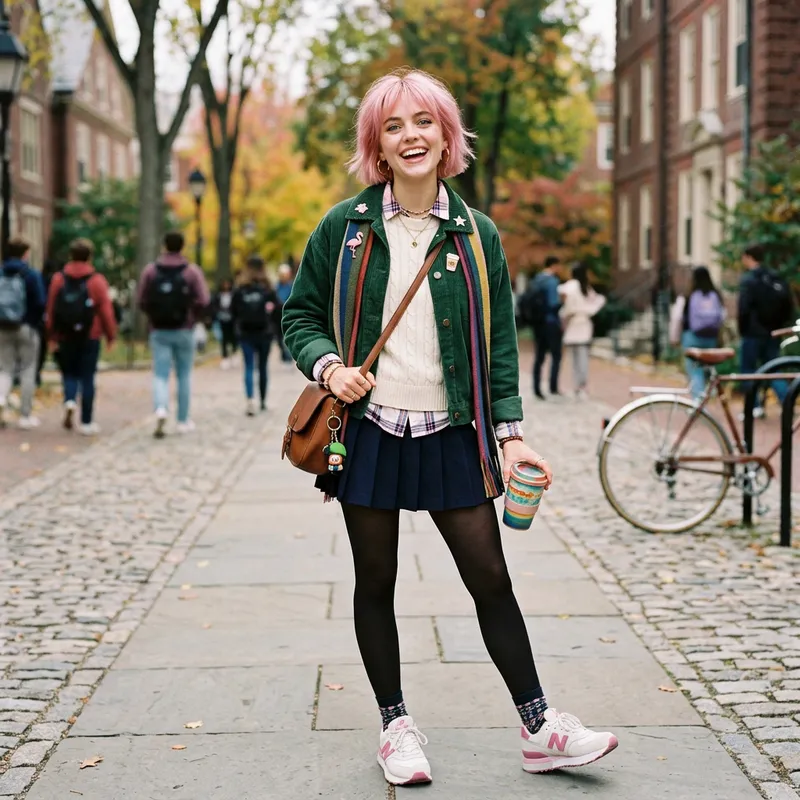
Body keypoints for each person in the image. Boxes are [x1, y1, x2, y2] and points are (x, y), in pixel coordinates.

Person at [282, 68, 617, 787]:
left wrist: (512, 432)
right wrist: (330, 367)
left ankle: (541, 726)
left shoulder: (476, 234)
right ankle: (395, 725)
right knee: (376, 579)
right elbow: (298, 316)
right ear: (377, 142)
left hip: (451, 432)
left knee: (490, 577)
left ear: (445, 134)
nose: (411, 136)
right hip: (367, 434)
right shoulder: (344, 229)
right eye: (394, 126)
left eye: (423, 122)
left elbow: (498, 343)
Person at [137, 230, 210, 438]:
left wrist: (153, 316)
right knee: (184, 374)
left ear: (164, 246)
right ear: (182, 246)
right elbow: (203, 300)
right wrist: (192, 316)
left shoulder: (151, 271)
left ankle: (161, 408)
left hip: (159, 330)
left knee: (160, 373)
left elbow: (141, 299)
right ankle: (183, 420)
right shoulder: (191, 272)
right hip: (184, 329)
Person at [46, 238, 117, 435]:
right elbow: (106, 311)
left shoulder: (59, 279)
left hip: (64, 334)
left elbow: (51, 308)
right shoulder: (96, 281)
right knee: (87, 376)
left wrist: (51, 334)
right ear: (90, 257)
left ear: (71, 255)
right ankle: (86, 421)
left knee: (69, 372)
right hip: (90, 335)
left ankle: (69, 400)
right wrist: (110, 335)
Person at [737, 243, 795, 418]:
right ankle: (788, 401)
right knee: (773, 369)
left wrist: (744, 329)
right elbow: (788, 305)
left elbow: (743, 309)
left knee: (748, 371)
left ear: (748, 257)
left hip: (753, 333)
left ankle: (753, 407)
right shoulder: (775, 278)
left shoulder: (749, 280)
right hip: (772, 332)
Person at [0, 237, 46, 429]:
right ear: (25, 253)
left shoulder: (1, 272)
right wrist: (32, 322)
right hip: (26, 327)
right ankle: (25, 416)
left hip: (2, 327)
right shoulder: (31, 274)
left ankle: (1, 398)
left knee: (4, 369)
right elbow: (40, 302)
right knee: (28, 370)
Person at [232, 255, 281, 415]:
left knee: (248, 366)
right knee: (262, 367)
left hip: (246, 333)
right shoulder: (267, 287)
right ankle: (263, 401)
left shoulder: (241, 287)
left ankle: (250, 399)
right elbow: (278, 310)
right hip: (264, 333)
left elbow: (233, 310)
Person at [669, 266, 726, 400]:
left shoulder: (688, 296)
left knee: (694, 371)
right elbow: (723, 316)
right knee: (707, 369)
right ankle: (706, 394)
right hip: (710, 337)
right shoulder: (715, 294)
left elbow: (677, 318)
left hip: (692, 337)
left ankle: (697, 401)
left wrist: (674, 338)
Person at [558, 262, 606, 399]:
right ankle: (582, 385)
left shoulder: (570, 286)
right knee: (583, 358)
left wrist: (563, 314)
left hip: (573, 323)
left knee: (574, 360)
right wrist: (589, 310)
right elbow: (599, 300)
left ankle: (576, 386)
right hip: (584, 324)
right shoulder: (586, 288)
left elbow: (562, 297)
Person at [523, 256, 563, 399]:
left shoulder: (536, 280)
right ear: (554, 265)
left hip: (537, 323)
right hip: (551, 322)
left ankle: (537, 387)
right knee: (556, 355)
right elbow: (554, 304)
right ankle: (553, 386)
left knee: (539, 356)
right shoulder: (552, 281)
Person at [212, 278, 237, 368]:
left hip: (232, 320)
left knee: (233, 338)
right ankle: (225, 357)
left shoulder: (234, 295)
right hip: (221, 319)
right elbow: (214, 306)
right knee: (223, 339)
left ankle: (234, 353)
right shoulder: (218, 296)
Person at [274, 264, 294, 362]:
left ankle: (288, 357)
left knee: (287, 336)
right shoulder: (275, 287)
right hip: (277, 315)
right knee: (279, 338)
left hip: (288, 314)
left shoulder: (292, 286)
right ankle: (283, 354)